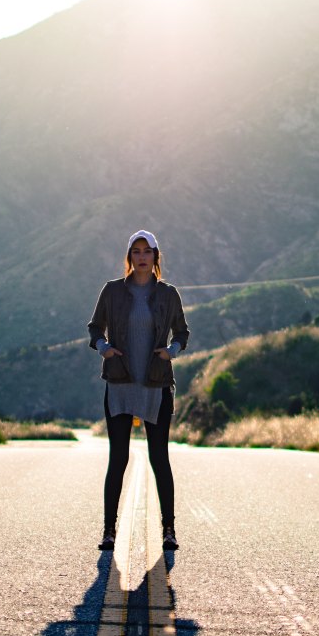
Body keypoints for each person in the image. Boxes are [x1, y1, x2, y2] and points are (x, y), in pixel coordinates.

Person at [87, 229, 190, 552]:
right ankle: (108, 530)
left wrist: (171, 352)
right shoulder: (113, 291)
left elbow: (182, 333)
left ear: (156, 257)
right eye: (136, 251)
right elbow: (94, 328)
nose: (142, 257)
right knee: (118, 458)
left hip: (156, 383)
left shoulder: (168, 294)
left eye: (147, 251)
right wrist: (103, 347)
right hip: (120, 381)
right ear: (129, 257)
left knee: (159, 457)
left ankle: (169, 530)